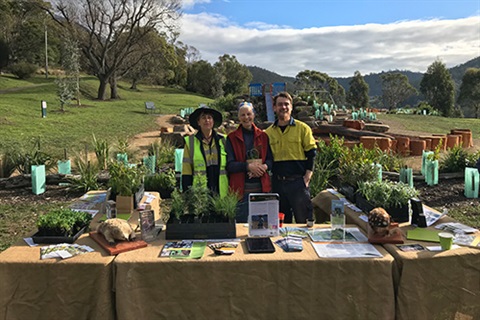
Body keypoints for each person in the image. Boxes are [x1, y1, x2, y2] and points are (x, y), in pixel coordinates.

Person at [265, 92, 317, 223]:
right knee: (280, 224)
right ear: (274, 108)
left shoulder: (303, 129)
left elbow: (312, 153)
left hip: (298, 183)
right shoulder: (268, 133)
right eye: (280, 104)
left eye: (286, 104)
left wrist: (307, 178)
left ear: (291, 107)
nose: (283, 107)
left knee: (304, 222)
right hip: (278, 184)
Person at [225, 101, 273, 222]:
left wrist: (264, 167)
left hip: (262, 189)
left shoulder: (263, 136)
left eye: (249, 114)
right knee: (242, 227)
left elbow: (270, 160)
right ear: (238, 117)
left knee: (261, 227)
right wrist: (248, 167)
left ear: (254, 115)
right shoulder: (231, 138)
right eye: (243, 115)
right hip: (241, 191)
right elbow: (230, 165)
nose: (246, 117)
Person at [182, 106, 228, 197]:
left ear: (213, 121)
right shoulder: (190, 142)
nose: (207, 120)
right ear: (198, 122)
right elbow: (186, 170)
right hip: (200, 193)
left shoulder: (224, 140)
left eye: (209, 117)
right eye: (203, 118)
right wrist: (187, 194)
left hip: (222, 191)